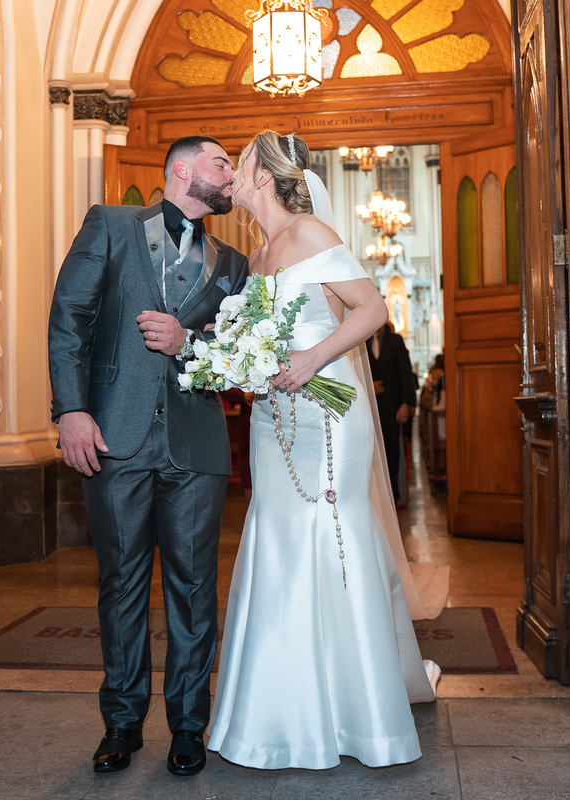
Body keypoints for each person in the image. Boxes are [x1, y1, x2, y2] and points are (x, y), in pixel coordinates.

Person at [206, 131, 441, 770]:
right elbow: (258, 334)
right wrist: (237, 364)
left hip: (330, 410)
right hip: (273, 414)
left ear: (262, 176)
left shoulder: (310, 234)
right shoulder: (257, 258)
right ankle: (276, 710)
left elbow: (370, 312)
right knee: (276, 538)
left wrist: (310, 358)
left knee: (329, 530)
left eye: (240, 161)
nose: (231, 170)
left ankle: (356, 709)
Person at [48, 136, 249, 776]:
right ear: (184, 170)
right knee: (122, 584)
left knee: (194, 589)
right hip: (114, 434)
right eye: (223, 163)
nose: (231, 176)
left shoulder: (234, 264)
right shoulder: (110, 224)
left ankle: (189, 726)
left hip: (195, 445)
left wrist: (189, 341)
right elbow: (69, 318)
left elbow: (237, 361)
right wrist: (71, 410)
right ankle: (122, 723)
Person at [369, 321, 418, 505]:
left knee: (391, 450)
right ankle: (373, 497)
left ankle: (392, 496)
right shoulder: (361, 340)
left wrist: (406, 403)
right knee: (370, 451)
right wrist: (369, 385)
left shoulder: (395, 341)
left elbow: (406, 373)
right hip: (369, 405)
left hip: (392, 407)